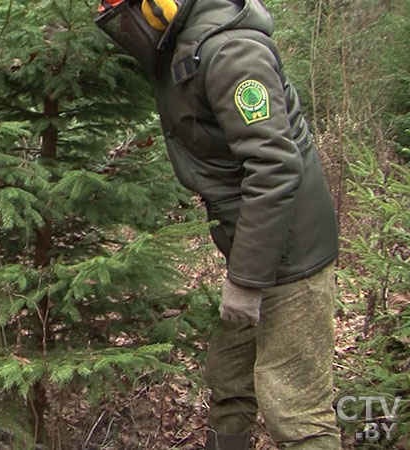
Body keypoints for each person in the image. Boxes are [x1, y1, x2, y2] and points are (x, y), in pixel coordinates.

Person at [95, 1, 340, 449]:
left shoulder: (230, 52)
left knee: (295, 408)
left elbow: (275, 168)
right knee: (229, 378)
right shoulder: (184, 42)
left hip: (289, 253)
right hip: (253, 246)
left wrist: (246, 283)